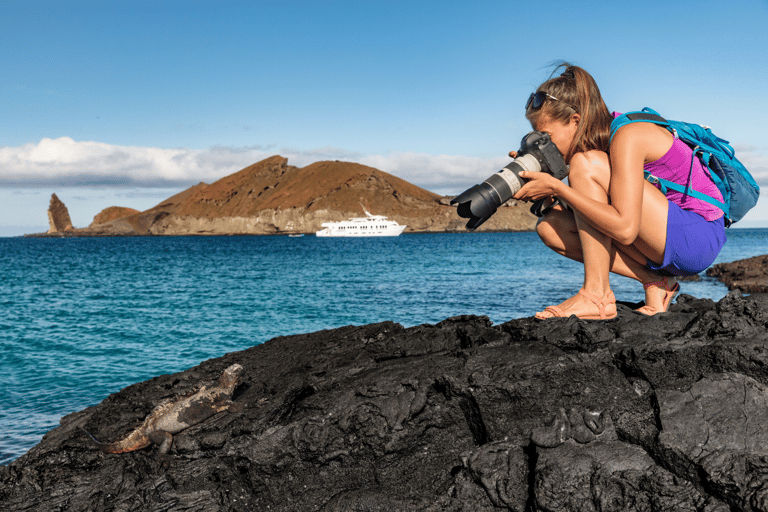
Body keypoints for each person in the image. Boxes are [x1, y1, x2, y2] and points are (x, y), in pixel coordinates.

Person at [511, 63, 726, 319]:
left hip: (697, 238)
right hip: (664, 240)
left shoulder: (628, 135)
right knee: (551, 226)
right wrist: (549, 194)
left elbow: (624, 229)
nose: (540, 143)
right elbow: (594, 217)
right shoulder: (600, 149)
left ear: (575, 120)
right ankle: (657, 284)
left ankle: (597, 296)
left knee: (584, 163)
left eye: (544, 135)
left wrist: (558, 186)